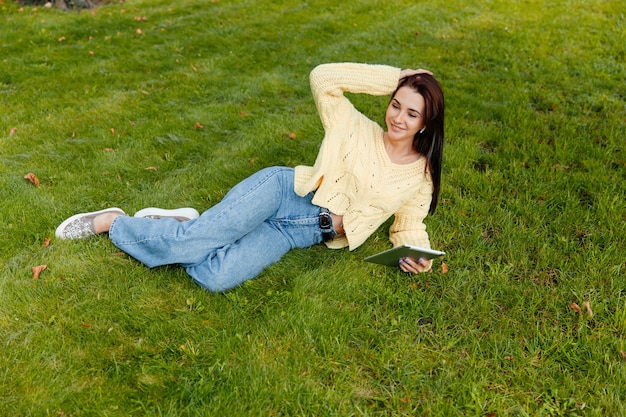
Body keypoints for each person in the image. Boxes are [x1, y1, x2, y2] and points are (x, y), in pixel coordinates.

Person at [55, 63, 445, 292]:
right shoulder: (355, 126)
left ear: (426, 123)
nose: (397, 117)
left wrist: (415, 254)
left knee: (214, 277)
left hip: (299, 232)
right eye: (396, 105)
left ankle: (186, 224)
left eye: (411, 113)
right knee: (191, 247)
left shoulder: (420, 175)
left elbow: (409, 224)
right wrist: (399, 76)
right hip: (282, 194)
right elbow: (323, 78)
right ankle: (113, 222)